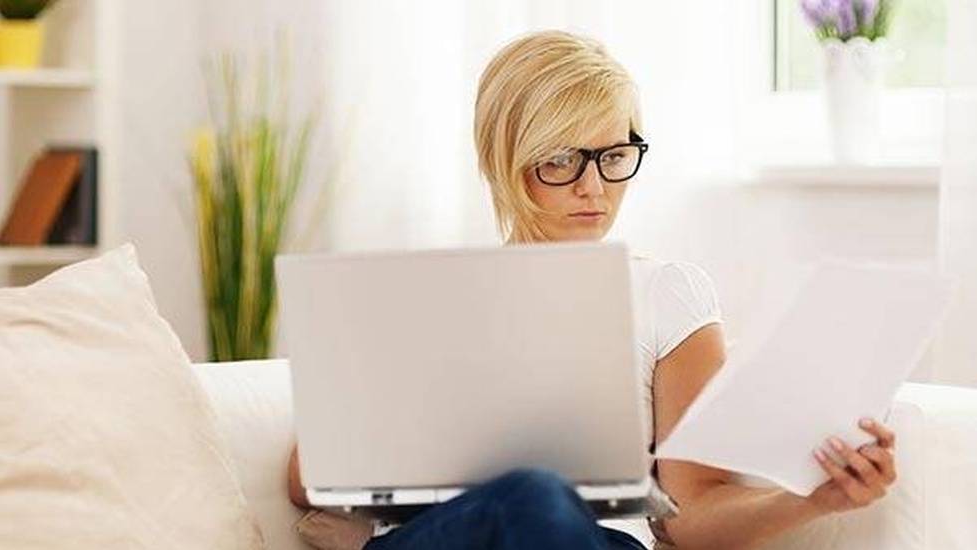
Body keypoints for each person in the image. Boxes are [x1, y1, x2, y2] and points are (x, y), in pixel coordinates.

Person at [287, 30, 898, 550]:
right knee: (526, 493)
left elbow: (692, 513)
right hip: (443, 534)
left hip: (595, 540)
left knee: (545, 500)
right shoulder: (426, 297)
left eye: (614, 156)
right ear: (506, 160)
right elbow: (303, 479)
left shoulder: (668, 293)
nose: (594, 188)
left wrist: (813, 502)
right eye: (561, 161)